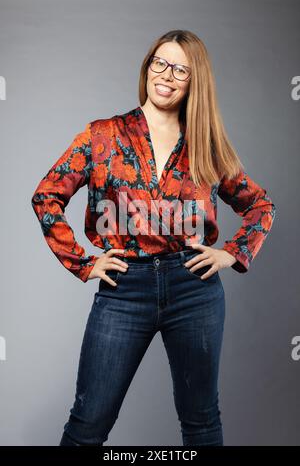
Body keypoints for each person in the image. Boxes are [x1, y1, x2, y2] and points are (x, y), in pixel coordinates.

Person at [31, 29, 276, 446]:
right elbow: (47, 196)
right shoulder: (102, 135)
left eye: (181, 69)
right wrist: (84, 263)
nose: (167, 74)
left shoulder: (207, 145)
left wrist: (231, 254)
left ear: (194, 80)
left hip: (194, 289)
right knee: (88, 422)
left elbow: (260, 205)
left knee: (201, 423)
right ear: (147, 68)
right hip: (123, 288)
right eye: (160, 63)